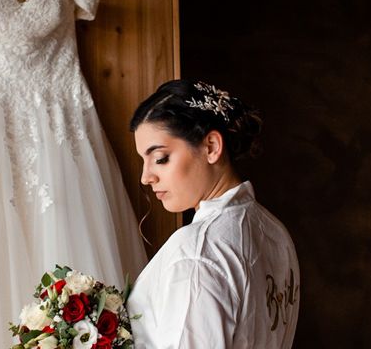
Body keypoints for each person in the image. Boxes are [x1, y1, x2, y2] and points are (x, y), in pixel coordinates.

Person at [126, 79, 299, 348]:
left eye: (160, 158)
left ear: (211, 147)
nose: (146, 177)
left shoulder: (197, 249)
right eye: (143, 161)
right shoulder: (275, 231)